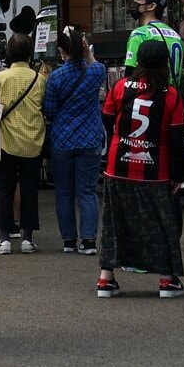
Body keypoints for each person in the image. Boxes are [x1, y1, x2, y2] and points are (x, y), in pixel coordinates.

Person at [95, 39, 184, 300]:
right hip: (156, 170)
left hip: (119, 166)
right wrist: (178, 175)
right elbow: (177, 138)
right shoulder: (171, 95)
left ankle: (106, 278)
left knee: (114, 222)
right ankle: (167, 280)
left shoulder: (121, 87)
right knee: (162, 223)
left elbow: (107, 119)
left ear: (138, 62)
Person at [43, 26, 105, 255]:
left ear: (61, 50)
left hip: (62, 139)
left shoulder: (56, 77)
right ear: (83, 47)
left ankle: (69, 239)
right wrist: (86, 51)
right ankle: (88, 240)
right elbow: (94, 62)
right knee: (87, 191)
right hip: (90, 138)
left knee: (64, 191)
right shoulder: (96, 71)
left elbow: (48, 109)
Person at [0, 34, 47, 255]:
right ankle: (28, 239)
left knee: (5, 189)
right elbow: (44, 106)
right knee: (30, 190)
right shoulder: (39, 79)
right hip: (33, 141)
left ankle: (4, 239)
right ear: (30, 53)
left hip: (6, 141)